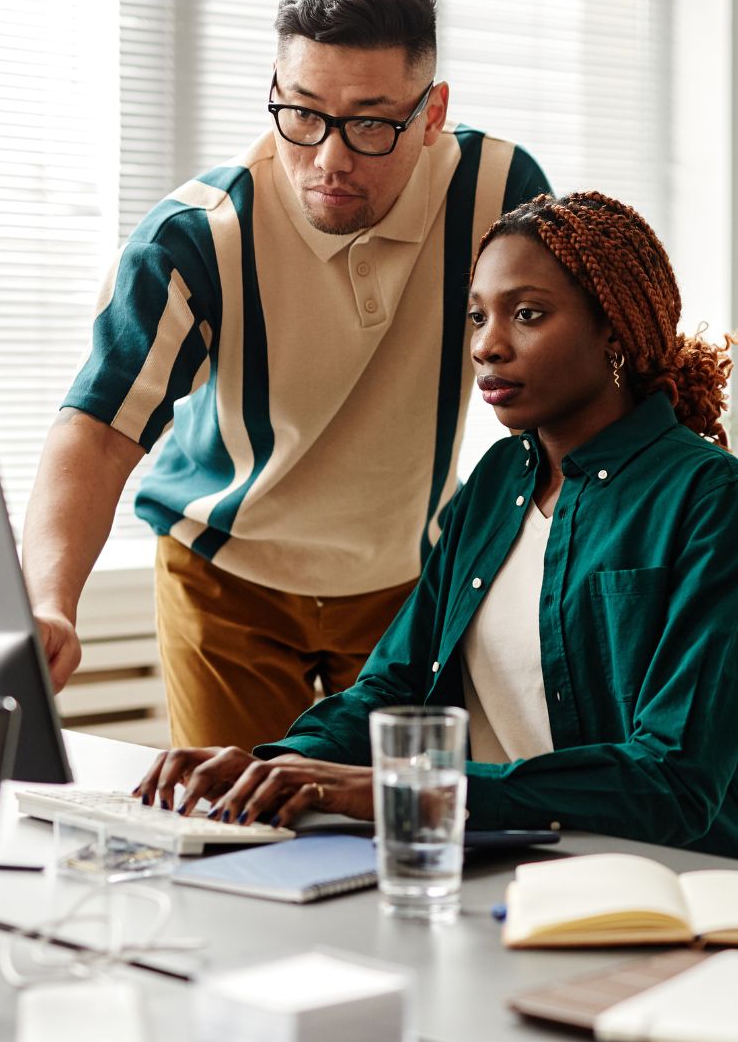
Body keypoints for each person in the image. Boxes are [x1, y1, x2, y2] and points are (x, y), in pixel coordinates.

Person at [22, 0, 549, 749]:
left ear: (433, 110)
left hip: (406, 582)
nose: (329, 158)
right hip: (227, 580)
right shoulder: (197, 237)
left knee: (391, 827)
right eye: (301, 113)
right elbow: (97, 430)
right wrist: (49, 599)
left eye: (371, 123)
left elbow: (565, 374)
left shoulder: (496, 188)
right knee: (237, 832)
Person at [137, 191, 738, 856]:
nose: (487, 345)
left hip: (662, 888)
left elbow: (674, 781)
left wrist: (418, 789)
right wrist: (276, 764)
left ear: (615, 331)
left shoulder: (710, 498)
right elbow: (398, 685)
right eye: (478, 316)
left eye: (528, 314)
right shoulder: (496, 480)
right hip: (496, 865)